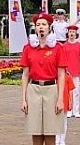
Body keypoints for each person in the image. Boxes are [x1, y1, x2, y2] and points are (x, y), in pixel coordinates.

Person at [20, 12, 67, 145]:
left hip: (51, 89)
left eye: (44, 25)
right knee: (35, 130)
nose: (41, 27)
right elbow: (25, 74)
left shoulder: (57, 48)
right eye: (38, 25)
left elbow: (61, 74)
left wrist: (60, 99)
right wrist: (23, 99)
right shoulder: (28, 48)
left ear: (49, 27)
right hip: (33, 89)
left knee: (50, 130)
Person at [61, 26, 80, 118]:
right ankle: (68, 110)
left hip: (76, 72)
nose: (71, 34)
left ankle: (76, 110)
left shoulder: (79, 45)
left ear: (76, 34)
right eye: (70, 32)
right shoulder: (64, 46)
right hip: (67, 72)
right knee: (67, 92)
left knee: (76, 92)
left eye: (73, 32)